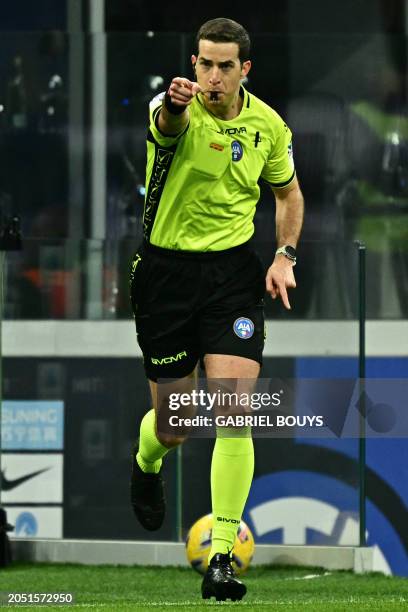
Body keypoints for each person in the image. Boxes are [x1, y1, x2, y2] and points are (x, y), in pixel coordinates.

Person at [129, 17, 304, 602]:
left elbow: (288, 193)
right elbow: (166, 123)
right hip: (165, 274)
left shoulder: (268, 126)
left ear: (244, 69)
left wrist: (283, 256)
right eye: (204, 63)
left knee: (233, 409)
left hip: (232, 275)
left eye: (224, 65)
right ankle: (147, 460)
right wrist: (175, 105)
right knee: (177, 424)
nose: (211, 76)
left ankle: (222, 556)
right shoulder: (176, 106)